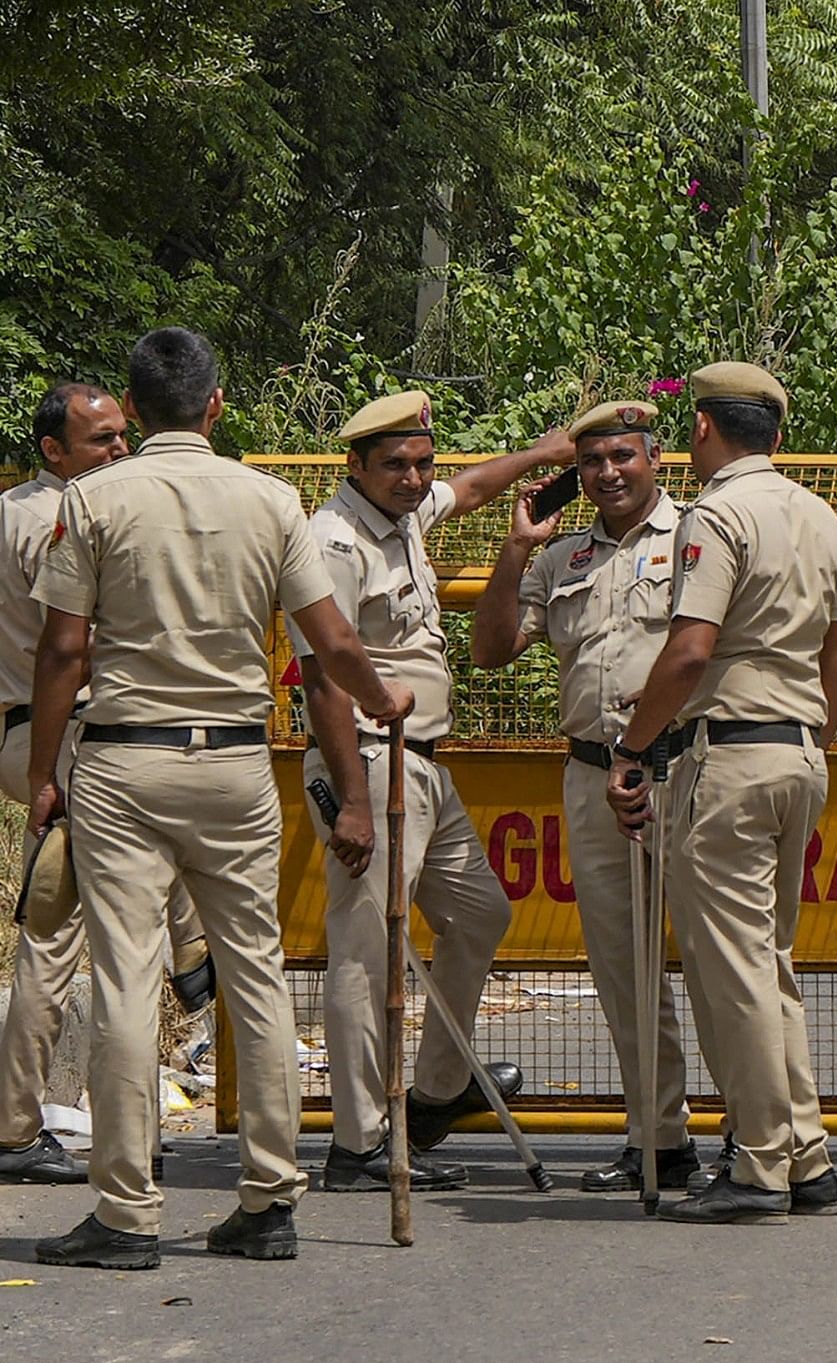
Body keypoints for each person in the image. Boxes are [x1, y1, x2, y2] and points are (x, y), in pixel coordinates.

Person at [24, 328, 417, 1267]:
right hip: (238, 763)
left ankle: (125, 1212)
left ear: (134, 406)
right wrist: (381, 700)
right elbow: (330, 640)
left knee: (126, 976)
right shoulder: (272, 500)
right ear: (216, 405)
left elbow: (63, 650)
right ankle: (271, 1194)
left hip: (125, 760)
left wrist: (44, 773)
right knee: (256, 970)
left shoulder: (91, 499)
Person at [295, 390, 573, 1192]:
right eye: (396, 466)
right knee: (367, 952)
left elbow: (476, 487)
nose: (415, 479)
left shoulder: (403, 513)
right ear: (355, 465)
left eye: (422, 463)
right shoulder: (334, 540)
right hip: (371, 763)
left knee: (481, 912)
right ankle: (359, 1143)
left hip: (424, 764)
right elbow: (322, 677)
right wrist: (351, 796)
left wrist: (546, 453)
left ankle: (436, 1095)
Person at [608, 363, 837, 1223]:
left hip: (732, 759)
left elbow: (687, 652)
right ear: (776, 435)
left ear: (704, 430)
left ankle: (759, 1165)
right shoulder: (821, 517)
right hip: (799, 756)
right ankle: (806, 1151)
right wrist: (815, 736)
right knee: (770, 962)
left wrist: (632, 746)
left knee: (737, 972)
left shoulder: (716, 514)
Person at [476, 399, 696, 1195]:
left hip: (684, 768)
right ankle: (659, 1137)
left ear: (657, 457)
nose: (607, 473)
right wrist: (513, 550)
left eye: (623, 456)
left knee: (717, 964)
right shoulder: (559, 557)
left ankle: (761, 1140)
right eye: (592, 461)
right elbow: (492, 649)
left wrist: (645, 748)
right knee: (623, 966)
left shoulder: (701, 538)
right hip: (591, 774)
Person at [0, 383, 213, 1186]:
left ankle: (27, 1122)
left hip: (28, 734)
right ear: (54, 450)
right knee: (103, 936)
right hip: (79, 737)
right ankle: (120, 1129)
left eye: (124, 435)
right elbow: (75, 646)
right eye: (101, 441)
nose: (121, 450)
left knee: (58, 924)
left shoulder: (9, 508)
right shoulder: (71, 519)